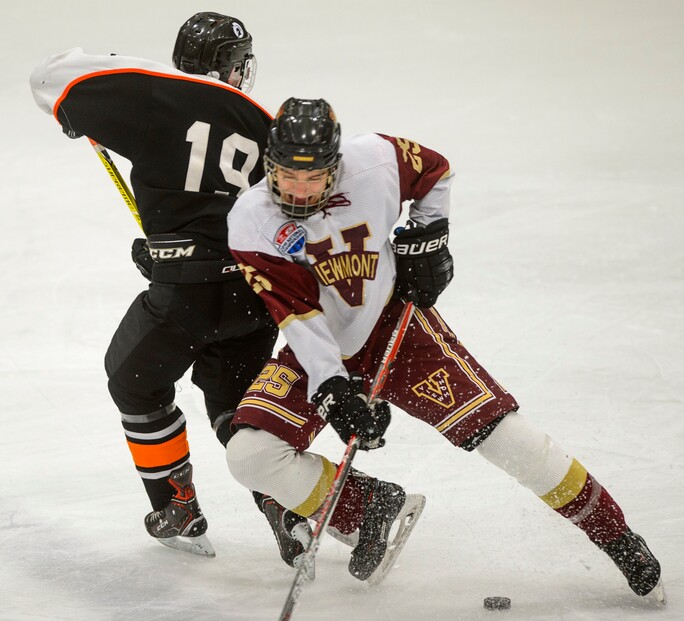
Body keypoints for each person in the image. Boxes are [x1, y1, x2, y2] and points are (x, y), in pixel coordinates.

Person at [225, 97, 665, 598]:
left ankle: (616, 535)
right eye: (286, 177)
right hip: (320, 347)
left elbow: (436, 171)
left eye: (313, 179)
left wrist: (429, 234)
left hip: (400, 328)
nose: (299, 191)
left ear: (336, 165)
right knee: (251, 455)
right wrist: (332, 386)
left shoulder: (377, 159)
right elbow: (299, 317)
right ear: (269, 165)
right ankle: (370, 507)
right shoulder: (251, 220)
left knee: (505, 438)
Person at [29, 13, 311, 563]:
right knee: (240, 414)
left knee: (132, 379)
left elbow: (49, 77)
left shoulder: (152, 92)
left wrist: (75, 109)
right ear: (235, 66)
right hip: (254, 296)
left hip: (184, 297)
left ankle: (177, 504)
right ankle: (291, 512)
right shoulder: (267, 123)